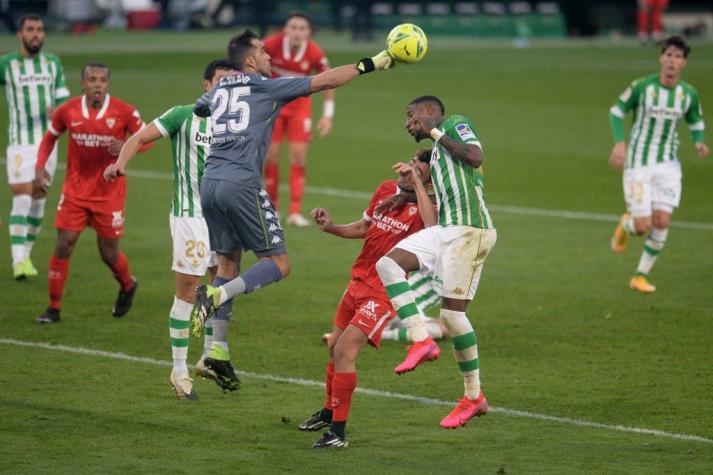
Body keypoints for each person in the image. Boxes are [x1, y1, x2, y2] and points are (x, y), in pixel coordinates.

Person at [189, 30, 394, 382]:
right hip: (241, 183)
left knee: (228, 261)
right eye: (263, 52)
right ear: (250, 60)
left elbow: (199, 106)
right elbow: (323, 81)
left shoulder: (220, 89)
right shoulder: (265, 86)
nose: (270, 58)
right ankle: (216, 294)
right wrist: (371, 63)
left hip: (210, 183)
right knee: (279, 264)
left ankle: (214, 352)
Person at [103, 60, 236, 399]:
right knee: (188, 291)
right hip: (191, 217)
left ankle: (207, 356)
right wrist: (119, 166)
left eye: (232, 81)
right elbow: (139, 136)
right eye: (221, 80)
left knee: (219, 286)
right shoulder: (183, 115)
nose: (226, 86)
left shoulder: (237, 121)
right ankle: (178, 370)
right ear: (206, 85)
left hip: (223, 217)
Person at [375, 95, 497, 429]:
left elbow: (475, 156)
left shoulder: (455, 124)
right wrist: (408, 195)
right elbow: (444, 197)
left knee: (453, 317)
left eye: (411, 115)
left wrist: (437, 134)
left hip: (470, 231)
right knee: (387, 264)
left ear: (429, 113)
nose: (407, 124)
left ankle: (473, 397)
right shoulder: (439, 156)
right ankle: (421, 340)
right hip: (447, 230)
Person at [300, 150, 435, 449]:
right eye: (410, 164)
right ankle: (328, 411)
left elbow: (432, 224)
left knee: (345, 351)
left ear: (429, 180)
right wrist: (332, 227)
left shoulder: (431, 207)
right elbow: (364, 228)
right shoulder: (386, 190)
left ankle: (338, 433)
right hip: (358, 281)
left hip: (383, 291)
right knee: (334, 346)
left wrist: (419, 185)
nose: (408, 170)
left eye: (418, 170)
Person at [34, 63, 150, 324]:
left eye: (102, 80)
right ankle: (53, 308)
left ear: (107, 84)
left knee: (108, 254)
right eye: (91, 79)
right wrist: (40, 167)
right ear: (82, 84)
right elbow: (49, 138)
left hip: (110, 194)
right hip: (75, 192)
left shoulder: (124, 111)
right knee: (63, 244)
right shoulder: (68, 110)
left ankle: (127, 285)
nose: (97, 84)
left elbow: (148, 138)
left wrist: (126, 146)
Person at [609, 36, 708, 293]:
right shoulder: (642, 87)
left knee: (662, 222)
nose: (673, 61)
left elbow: (695, 120)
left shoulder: (688, 94)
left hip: (668, 165)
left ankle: (640, 275)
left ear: (684, 63)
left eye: (678, 57)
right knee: (643, 226)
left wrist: (699, 141)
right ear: (661, 58)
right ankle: (626, 225)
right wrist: (620, 143)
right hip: (639, 164)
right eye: (669, 55)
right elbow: (616, 112)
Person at [1, 15, 69, 279]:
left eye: (39, 30)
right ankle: (18, 261)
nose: (35, 34)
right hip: (20, 142)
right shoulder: (7, 64)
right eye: (30, 30)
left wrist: (59, 111)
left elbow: (64, 101)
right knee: (21, 196)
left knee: (39, 201)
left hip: (47, 142)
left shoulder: (52, 64)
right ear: (20, 34)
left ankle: (26, 255)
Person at [263, 12, 335, 226]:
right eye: (293, 27)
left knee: (298, 157)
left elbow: (329, 79)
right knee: (270, 157)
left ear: (308, 32)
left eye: (301, 28)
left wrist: (328, 115)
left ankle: (295, 212)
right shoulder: (270, 45)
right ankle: (273, 208)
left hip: (300, 107)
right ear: (285, 29)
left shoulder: (314, 52)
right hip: (273, 105)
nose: (297, 32)